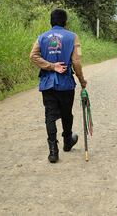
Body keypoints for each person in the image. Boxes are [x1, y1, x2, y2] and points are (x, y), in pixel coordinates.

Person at [30, 9, 87, 163]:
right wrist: (82, 81)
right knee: (66, 114)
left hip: (47, 83)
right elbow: (76, 62)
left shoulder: (41, 37)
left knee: (50, 115)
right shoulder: (73, 37)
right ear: (65, 22)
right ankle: (68, 142)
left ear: (51, 22)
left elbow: (33, 56)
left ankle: (53, 151)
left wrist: (50, 65)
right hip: (66, 84)